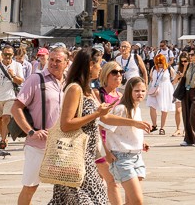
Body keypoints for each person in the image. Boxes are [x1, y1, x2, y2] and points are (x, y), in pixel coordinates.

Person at [50, 48, 115, 204]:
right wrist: (96, 114)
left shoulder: (88, 90)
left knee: (96, 199)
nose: (101, 68)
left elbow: (104, 117)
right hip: (74, 157)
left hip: (88, 158)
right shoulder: (75, 89)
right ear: (90, 65)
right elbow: (66, 124)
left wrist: (136, 124)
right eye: (99, 64)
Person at [12, 46, 68, 205]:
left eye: (58, 61)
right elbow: (16, 108)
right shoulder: (36, 79)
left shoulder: (68, 83)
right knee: (30, 187)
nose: (53, 63)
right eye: (51, 59)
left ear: (66, 63)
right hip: (38, 146)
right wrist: (31, 132)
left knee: (66, 188)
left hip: (61, 146)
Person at [101, 77, 153, 205]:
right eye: (136, 91)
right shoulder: (121, 109)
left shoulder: (137, 108)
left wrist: (141, 142)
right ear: (129, 91)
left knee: (131, 201)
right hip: (122, 157)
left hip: (137, 156)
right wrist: (106, 152)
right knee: (137, 201)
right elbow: (102, 125)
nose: (140, 94)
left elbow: (127, 131)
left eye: (142, 91)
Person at [95, 60, 126, 205]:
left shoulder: (121, 96)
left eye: (121, 72)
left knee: (100, 181)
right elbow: (98, 123)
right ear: (106, 74)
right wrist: (106, 151)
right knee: (112, 181)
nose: (118, 75)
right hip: (100, 143)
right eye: (114, 72)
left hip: (116, 143)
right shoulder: (98, 94)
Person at [0, 46, 24, 156]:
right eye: (5, 54)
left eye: (9, 54)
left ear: (13, 55)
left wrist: (13, 74)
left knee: (6, 117)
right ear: (2, 55)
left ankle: (3, 140)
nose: (7, 56)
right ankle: (3, 137)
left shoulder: (17, 65)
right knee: (0, 120)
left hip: (10, 96)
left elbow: (20, 81)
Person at [146, 55, 173, 135]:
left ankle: (162, 128)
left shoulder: (168, 68)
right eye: (157, 63)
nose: (159, 64)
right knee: (151, 106)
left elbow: (174, 77)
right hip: (154, 88)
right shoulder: (154, 68)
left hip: (165, 89)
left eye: (160, 62)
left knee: (164, 108)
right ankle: (154, 125)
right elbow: (151, 77)